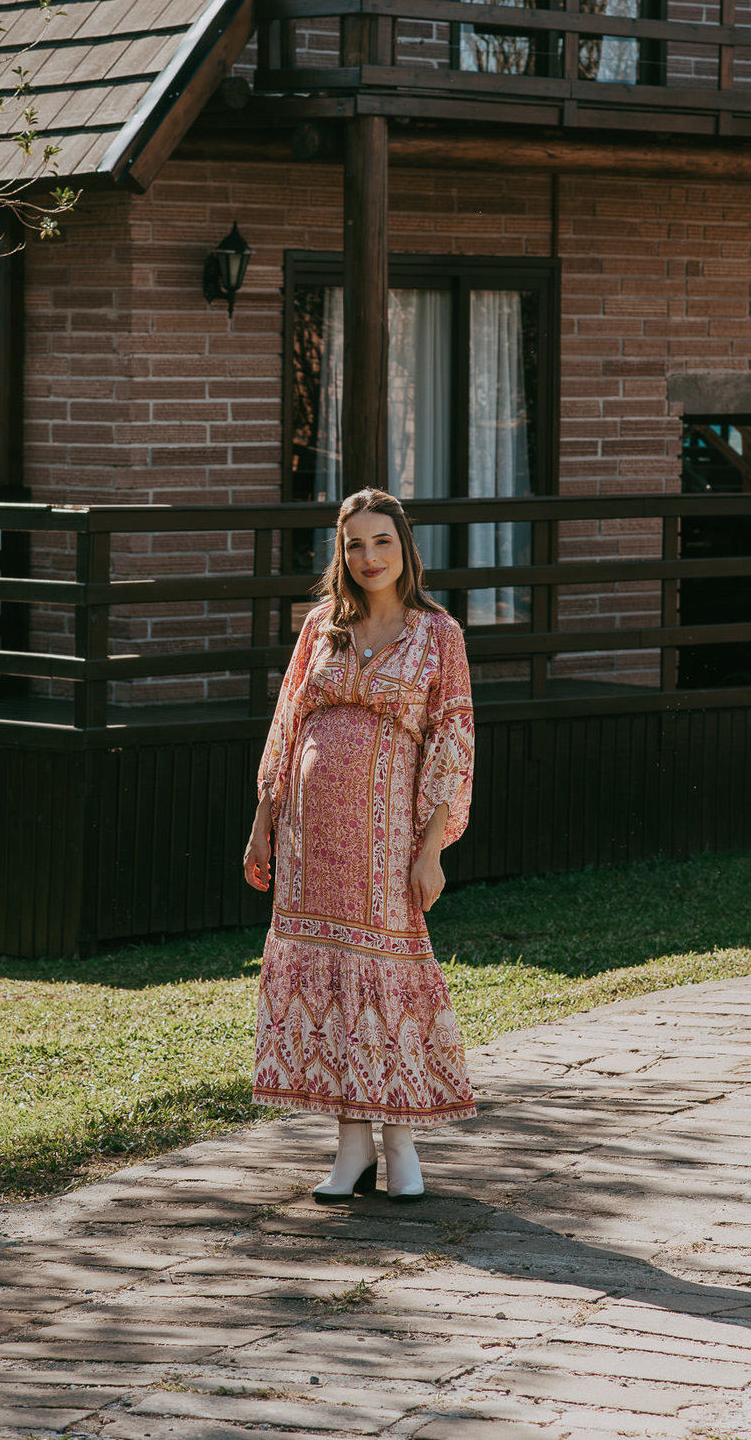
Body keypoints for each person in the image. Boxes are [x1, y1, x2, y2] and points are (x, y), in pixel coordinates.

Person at [243, 486, 476, 1203]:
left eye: (382, 541)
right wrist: (262, 820)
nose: (368, 556)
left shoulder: (437, 634)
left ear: (405, 548)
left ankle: (400, 1143)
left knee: (384, 977)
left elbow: (452, 743)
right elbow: (287, 723)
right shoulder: (322, 626)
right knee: (331, 977)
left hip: (386, 838)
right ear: (340, 554)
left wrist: (431, 849)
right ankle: (351, 1148)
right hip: (309, 839)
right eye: (354, 544)